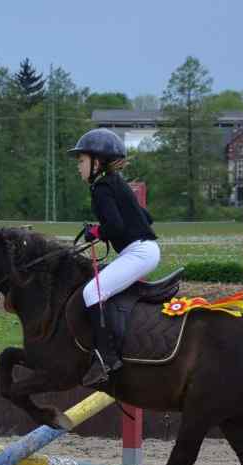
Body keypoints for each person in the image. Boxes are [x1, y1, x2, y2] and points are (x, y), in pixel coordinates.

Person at [68, 128, 160, 387]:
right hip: (143, 250)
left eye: (82, 161)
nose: (79, 167)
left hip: (139, 253)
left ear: (98, 162)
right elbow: (147, 218)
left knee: (90, 294)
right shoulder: (116, 182)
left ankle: (106, 358)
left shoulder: (101, 188)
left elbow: (116, 227)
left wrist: (95, 231)